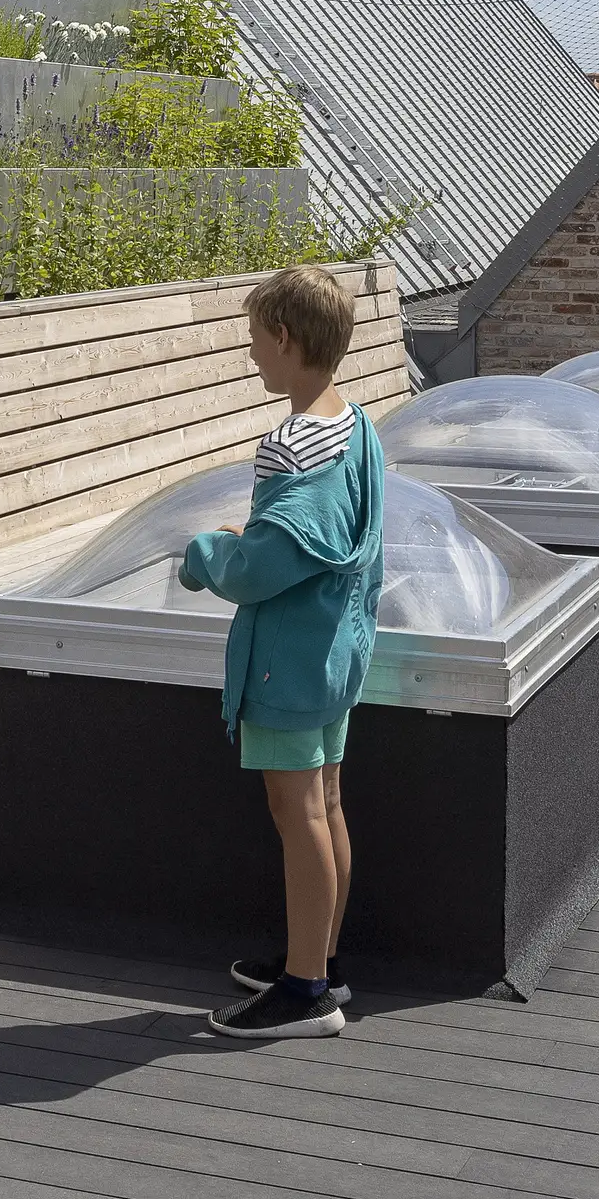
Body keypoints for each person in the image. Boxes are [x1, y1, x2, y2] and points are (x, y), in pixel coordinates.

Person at [177, 265, 386, 1041]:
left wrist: (205, 554)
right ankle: (319, 959)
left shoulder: (291, 447)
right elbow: (315, 543)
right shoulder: (356, 423)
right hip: (336, 652)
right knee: (324, 803)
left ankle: (305, 993)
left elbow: (265, 566)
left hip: (288, 664)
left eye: (258, 340)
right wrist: (258, 538)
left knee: (297, 812)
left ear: (288, 339)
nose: (252, 354)